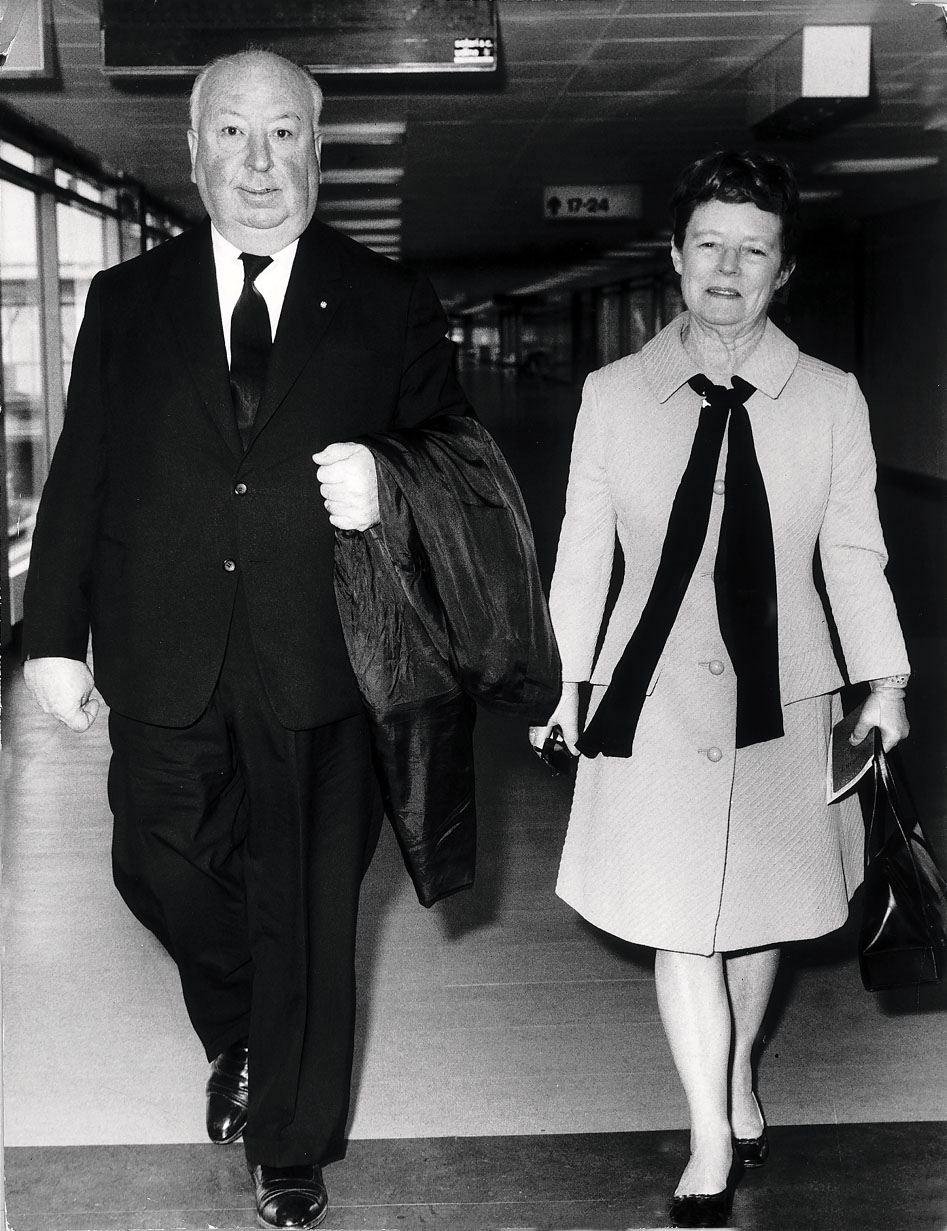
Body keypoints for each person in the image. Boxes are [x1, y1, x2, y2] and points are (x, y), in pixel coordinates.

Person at [22, 49, 474, 1230]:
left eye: (284, 136)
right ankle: (241, 1029)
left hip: (324, 659)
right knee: (153, 862)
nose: (259, 164)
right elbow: (81, 472)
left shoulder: (386, 304)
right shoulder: (128, 299)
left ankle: (289, 1139)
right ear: (192, 152)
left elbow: (465, 469)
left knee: (311, 906)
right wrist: (50, 637)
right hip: (163, 648)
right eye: (233, 135)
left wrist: (391, 473)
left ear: (319, 150)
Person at [530, 150, 910, 1229]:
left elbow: (851, 553)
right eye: (709, 244)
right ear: (673, 258)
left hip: (784, 700)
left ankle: (738, 1066)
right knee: (679, 927)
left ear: (781, 272)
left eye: (753, 250)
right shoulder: (611, 396)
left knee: (755, 922)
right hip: (649, 697)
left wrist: (882, 686)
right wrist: (569, 680)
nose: (728, 268)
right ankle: (706, 1132)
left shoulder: (829, 400)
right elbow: (580, 556)